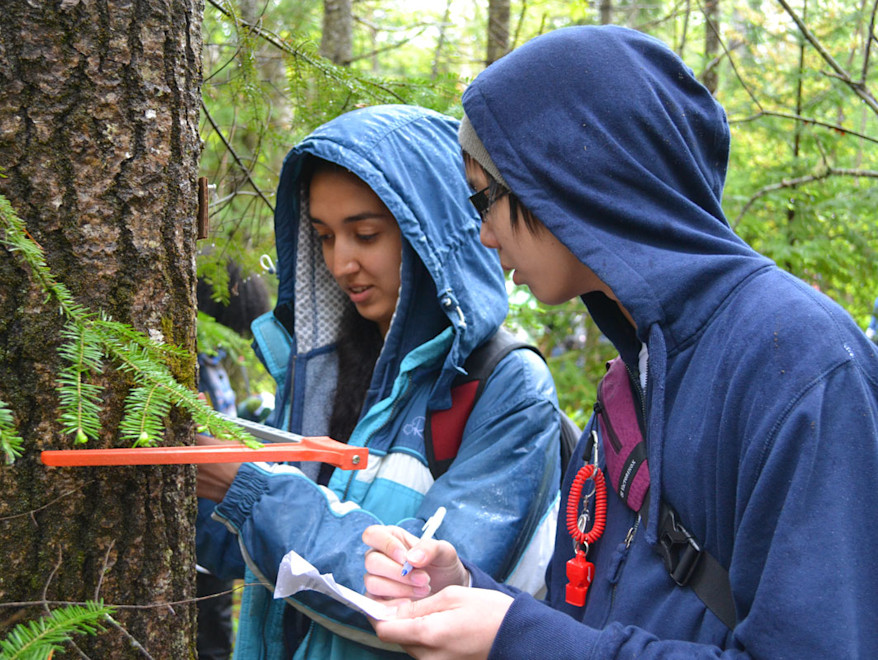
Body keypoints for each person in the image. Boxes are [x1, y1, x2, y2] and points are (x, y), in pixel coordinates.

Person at [361, 25, 878, 658]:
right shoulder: (635, 371)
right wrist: (472, 592)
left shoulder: (797, 362)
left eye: (484, 198)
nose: (485, 235)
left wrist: (518, 639)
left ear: (571, 175)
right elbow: (599, 618)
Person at [195, 104, 565, 659]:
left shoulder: (505, 386)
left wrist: (247, 488)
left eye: (365, 234)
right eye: (322, 237)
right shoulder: (321, 371)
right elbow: (253, 554)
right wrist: (192, 477)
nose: (341, 263)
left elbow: (418, 597)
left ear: (433, 234)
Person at [195, 265, 271, 660]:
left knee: (218, 633)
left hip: (221, 520)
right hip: (200, 531)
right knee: (208, 636)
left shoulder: (215, 364)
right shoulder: (192, 367)